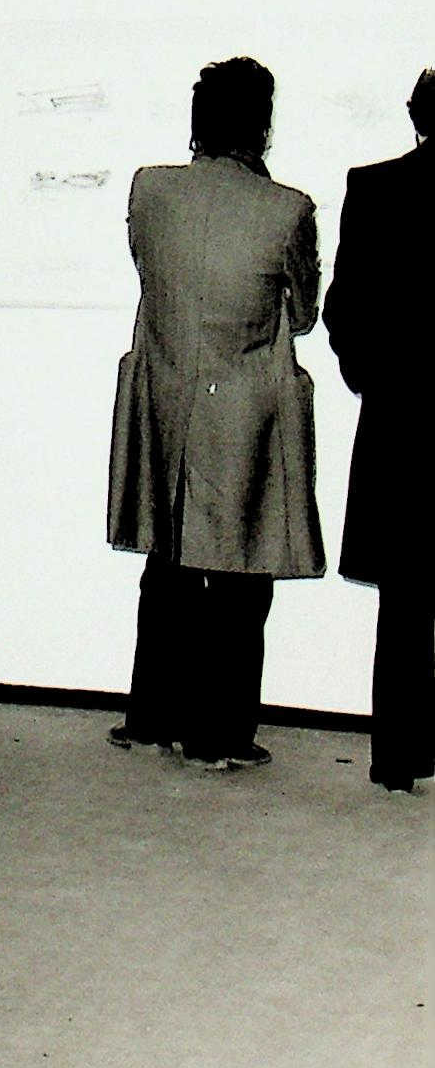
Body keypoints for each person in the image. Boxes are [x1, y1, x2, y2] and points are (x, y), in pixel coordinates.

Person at [107, 56, 323, 771]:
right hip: (244, 412)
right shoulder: (288, 209)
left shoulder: (149, 189)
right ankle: (219, 735)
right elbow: (303, 315)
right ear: (263, 125)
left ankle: (149, 717)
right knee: (240, 577)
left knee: (165, 563)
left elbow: (150, 274)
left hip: (165, 396)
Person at [321, 67, 434, 795]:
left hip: (401, 417)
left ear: (414, 117)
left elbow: (342, 309)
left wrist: (370, 376)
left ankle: (397, 757)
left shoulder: (373, 188)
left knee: (404, 597)